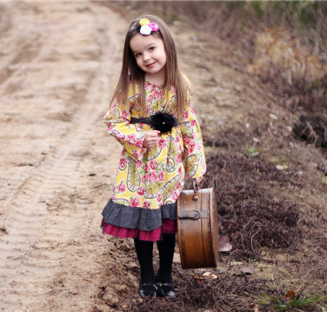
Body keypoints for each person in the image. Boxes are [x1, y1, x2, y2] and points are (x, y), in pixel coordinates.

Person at [101, 14, 206, 298]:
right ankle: (147, 276)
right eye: (137, 53)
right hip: (139, 167)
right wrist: (137, 136)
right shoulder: (130, 86)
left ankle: (166, 277)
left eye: (151, 49)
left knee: (168, 224)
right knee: (143, 222)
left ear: (166, 46)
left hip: (170, 167)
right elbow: (113, 121)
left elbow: (189, 125)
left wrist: (195, 166)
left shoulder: (180, 84)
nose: (146, 58)